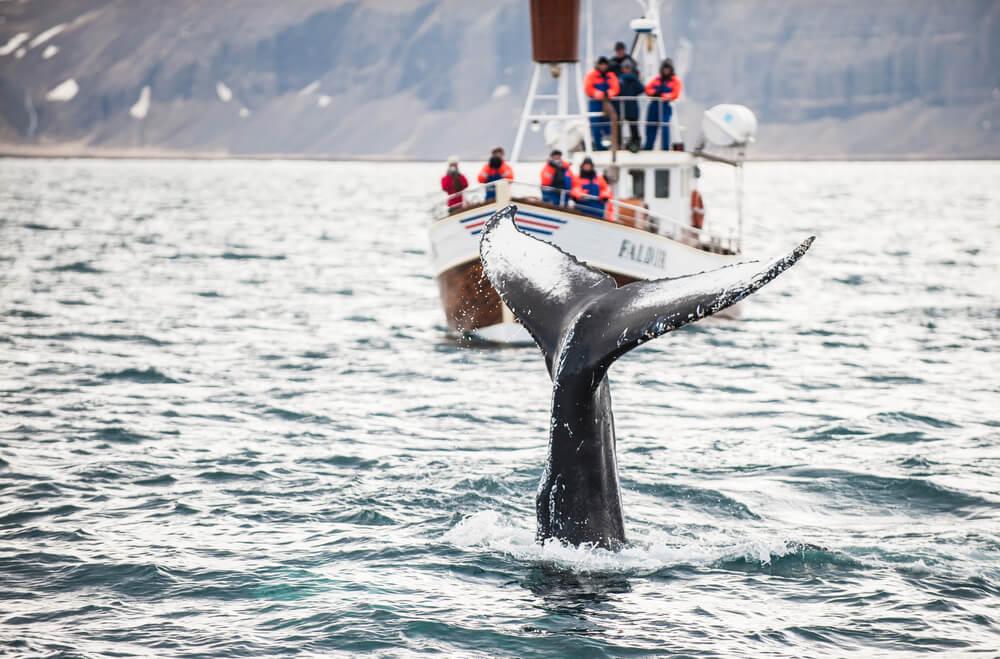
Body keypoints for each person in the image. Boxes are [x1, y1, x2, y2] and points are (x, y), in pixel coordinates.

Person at [644, 58, 683, 150]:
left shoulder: (675, 81)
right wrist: (654, 92)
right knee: (650, 127)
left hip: (665, 106)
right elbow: (647, 89)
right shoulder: (657, 79)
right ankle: (648, 147)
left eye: (668, 68)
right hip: (654, 106)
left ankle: (665, 148)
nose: (666, 70)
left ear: (671, 69)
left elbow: (675, 94)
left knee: (665, 127)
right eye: (664, 68)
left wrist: (663, 95)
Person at [583, 57, 620, 151]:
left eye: (605, 64)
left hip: (607, 104)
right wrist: (597, 93)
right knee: (595, 126)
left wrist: (609, 93)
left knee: (608, 126)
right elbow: (588, 88)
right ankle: (598, 146)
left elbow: (616, 88)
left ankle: (608, 146)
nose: (603, 66)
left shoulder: (611, 76)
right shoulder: (592, 76)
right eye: (601, 64)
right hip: (595, 104)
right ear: (598, 65)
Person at [614, 59, 644, 152]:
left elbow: (616, 90)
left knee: (630, 125)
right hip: (630, 105)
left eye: (628, 68)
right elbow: (641, 89)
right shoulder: (633, 79)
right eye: (625, 68)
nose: (627, 69)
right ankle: (633, 142)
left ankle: (620, 143)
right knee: (630, 125)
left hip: (624, 106)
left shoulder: (619, 79)